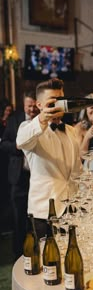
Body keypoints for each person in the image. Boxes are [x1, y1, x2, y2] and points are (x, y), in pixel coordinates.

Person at [16, 78, 82, 241]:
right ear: (39, 105)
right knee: (47, 264)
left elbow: (76, 169)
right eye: (52, 101)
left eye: (61, 100)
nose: (58, 105)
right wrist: (42, 119)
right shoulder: (28, 128)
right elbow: (21, 141)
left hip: (72, 209)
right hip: (44, 212)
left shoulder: (71, 130)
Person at [0, 90, 38, 259]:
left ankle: (37, 252)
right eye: (29, 106)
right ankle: (18, 256)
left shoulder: (42, 120)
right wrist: (17, 147)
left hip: (39, 178)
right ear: (24, 105)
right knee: (18, 219)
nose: (32, 110)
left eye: (34, 106)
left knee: (37, 220)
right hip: (19, 177)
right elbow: (4, 144)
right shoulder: (14, 119)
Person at [0, 99, 13, 234]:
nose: (8, 112)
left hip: (8, 161)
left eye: (10, 110)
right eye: (6, 110)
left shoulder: (11, 123)